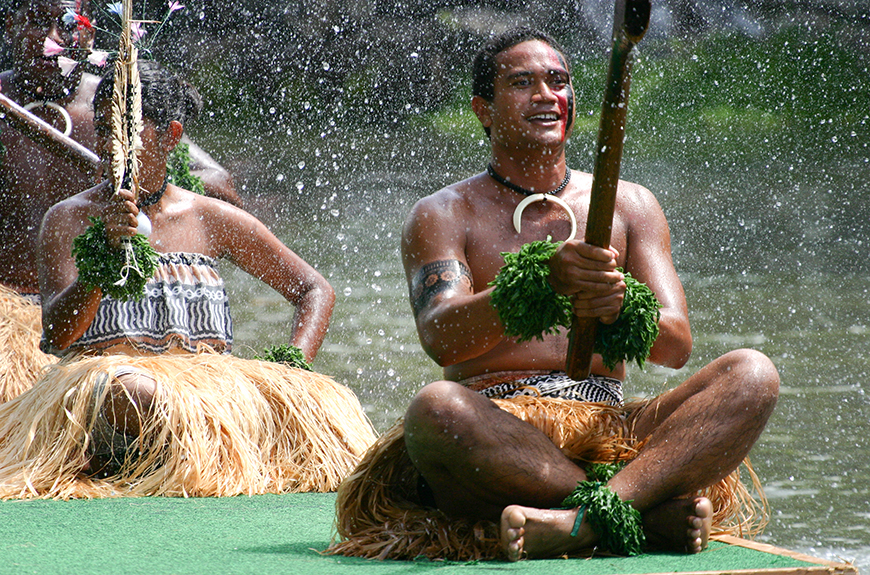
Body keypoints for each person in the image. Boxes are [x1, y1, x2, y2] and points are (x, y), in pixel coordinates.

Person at [328, 28, 779, 561]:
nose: (545, 94)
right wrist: (543, 281)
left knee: (752, 373)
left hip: (613, 430)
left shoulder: (631, 205)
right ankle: (636, 511)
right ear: (484, 110)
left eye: (557, 81)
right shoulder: (444, 213)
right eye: (522, 82)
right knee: (435, 409)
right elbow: (442, 337)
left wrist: (618, 308)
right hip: (498, 431)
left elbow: (675, 346)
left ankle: (582, 522)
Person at [0, 59, 376, 499]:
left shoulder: (211, 218)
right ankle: (196, 458)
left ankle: (197, 456)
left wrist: (289, 372)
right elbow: (58, 337)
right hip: (111, 396)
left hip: (205, 395)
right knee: (135, 392)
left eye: (126, 132)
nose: (109, 145)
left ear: (170, 136)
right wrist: (102, 257)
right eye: (103, 129)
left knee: (295, 402)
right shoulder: (68, 219)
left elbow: (315, 290)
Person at [0, 0, 243, 402]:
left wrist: (133, 173)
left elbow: (219, 182)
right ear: (10, 24)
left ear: (89, 33)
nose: (50, 39)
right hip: (16, 316)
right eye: (36, 23)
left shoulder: (117, 102)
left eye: (65, 24)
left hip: (104, 322)